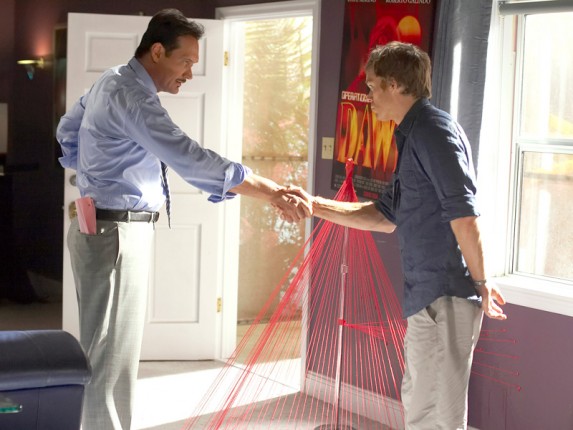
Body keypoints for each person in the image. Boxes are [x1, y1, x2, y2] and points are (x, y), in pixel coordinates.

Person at [57, 9, 311, 430]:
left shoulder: (111, 79)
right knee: (109, 360)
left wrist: (92, 172)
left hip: (101, 228)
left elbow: (68, 130)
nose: (191, 73)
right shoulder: (133, 97)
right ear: (157, 51)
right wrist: (270, 191)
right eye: (186, 61)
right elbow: (190, 158)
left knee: (105, 352)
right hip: (115, 234)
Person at [284, 41, 507, 429]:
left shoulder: (433, 132)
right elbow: (385, 216)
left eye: (372, 86)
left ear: (394, 84)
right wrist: (314, 205)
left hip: (446, 294)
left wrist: (482, 282)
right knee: (419, 402)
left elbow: (464, 215)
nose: (368, 96)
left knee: (440, 413)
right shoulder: (413, 134)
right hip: (425, 294)